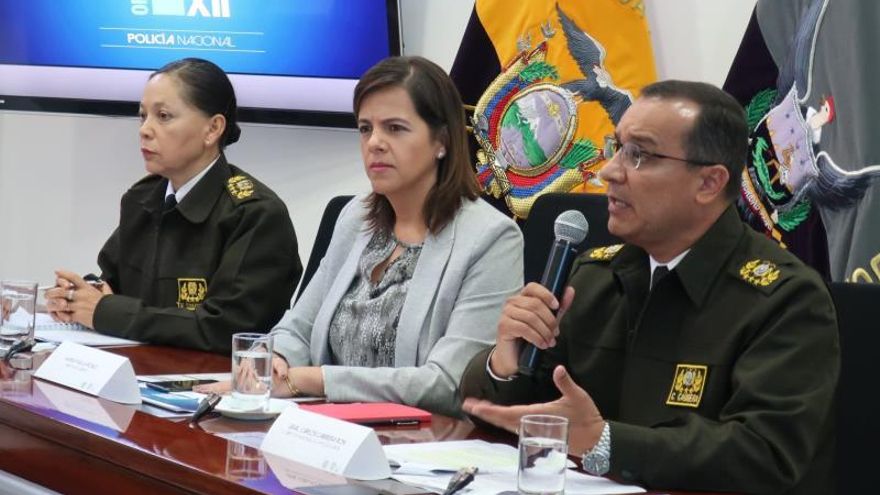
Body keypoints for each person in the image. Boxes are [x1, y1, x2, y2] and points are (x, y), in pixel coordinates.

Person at [460, 80, 838, 494]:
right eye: (617, 147)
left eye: (639, 154)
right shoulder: (592, 276)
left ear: (709, 183)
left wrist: (606, 442)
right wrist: (506, 362)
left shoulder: (786, 299)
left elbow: (764, 454)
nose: (609, 171)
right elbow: (504, 416)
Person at [199, 56, 523, 416]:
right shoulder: (356, 217)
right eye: (366, 128)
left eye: (396, 128)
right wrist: (275, 357)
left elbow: (447, 383)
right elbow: (299, 327)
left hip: (419, 445)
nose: (375, 143)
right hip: (323, 431)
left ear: (442, 141)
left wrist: (313, 380)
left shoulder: (490, 238)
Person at [45, 58, 302, 354]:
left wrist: (106, 311)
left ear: (212, 129)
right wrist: (76, 296)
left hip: (213, 386)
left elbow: (225, 328)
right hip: (139, 370)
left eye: (163, 116)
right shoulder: (142, 198)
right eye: (143, 116)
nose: (145, 129)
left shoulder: (255, 213)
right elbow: (111, 284)